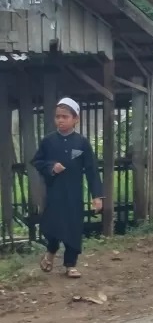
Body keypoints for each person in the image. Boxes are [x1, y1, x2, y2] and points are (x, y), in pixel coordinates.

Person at [32, 97, 103, 278]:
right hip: (55, 192)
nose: (60, 120)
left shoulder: (82, 143)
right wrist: (51, 167)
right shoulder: (48, 141)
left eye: (65, 116)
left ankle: (70, 264)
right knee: (53, 225)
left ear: (75, 119)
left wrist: (97, 196)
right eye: (58, 117)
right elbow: (37, 161)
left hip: (74, 194)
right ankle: (51, 251)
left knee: (73, 227)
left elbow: (92, 170)